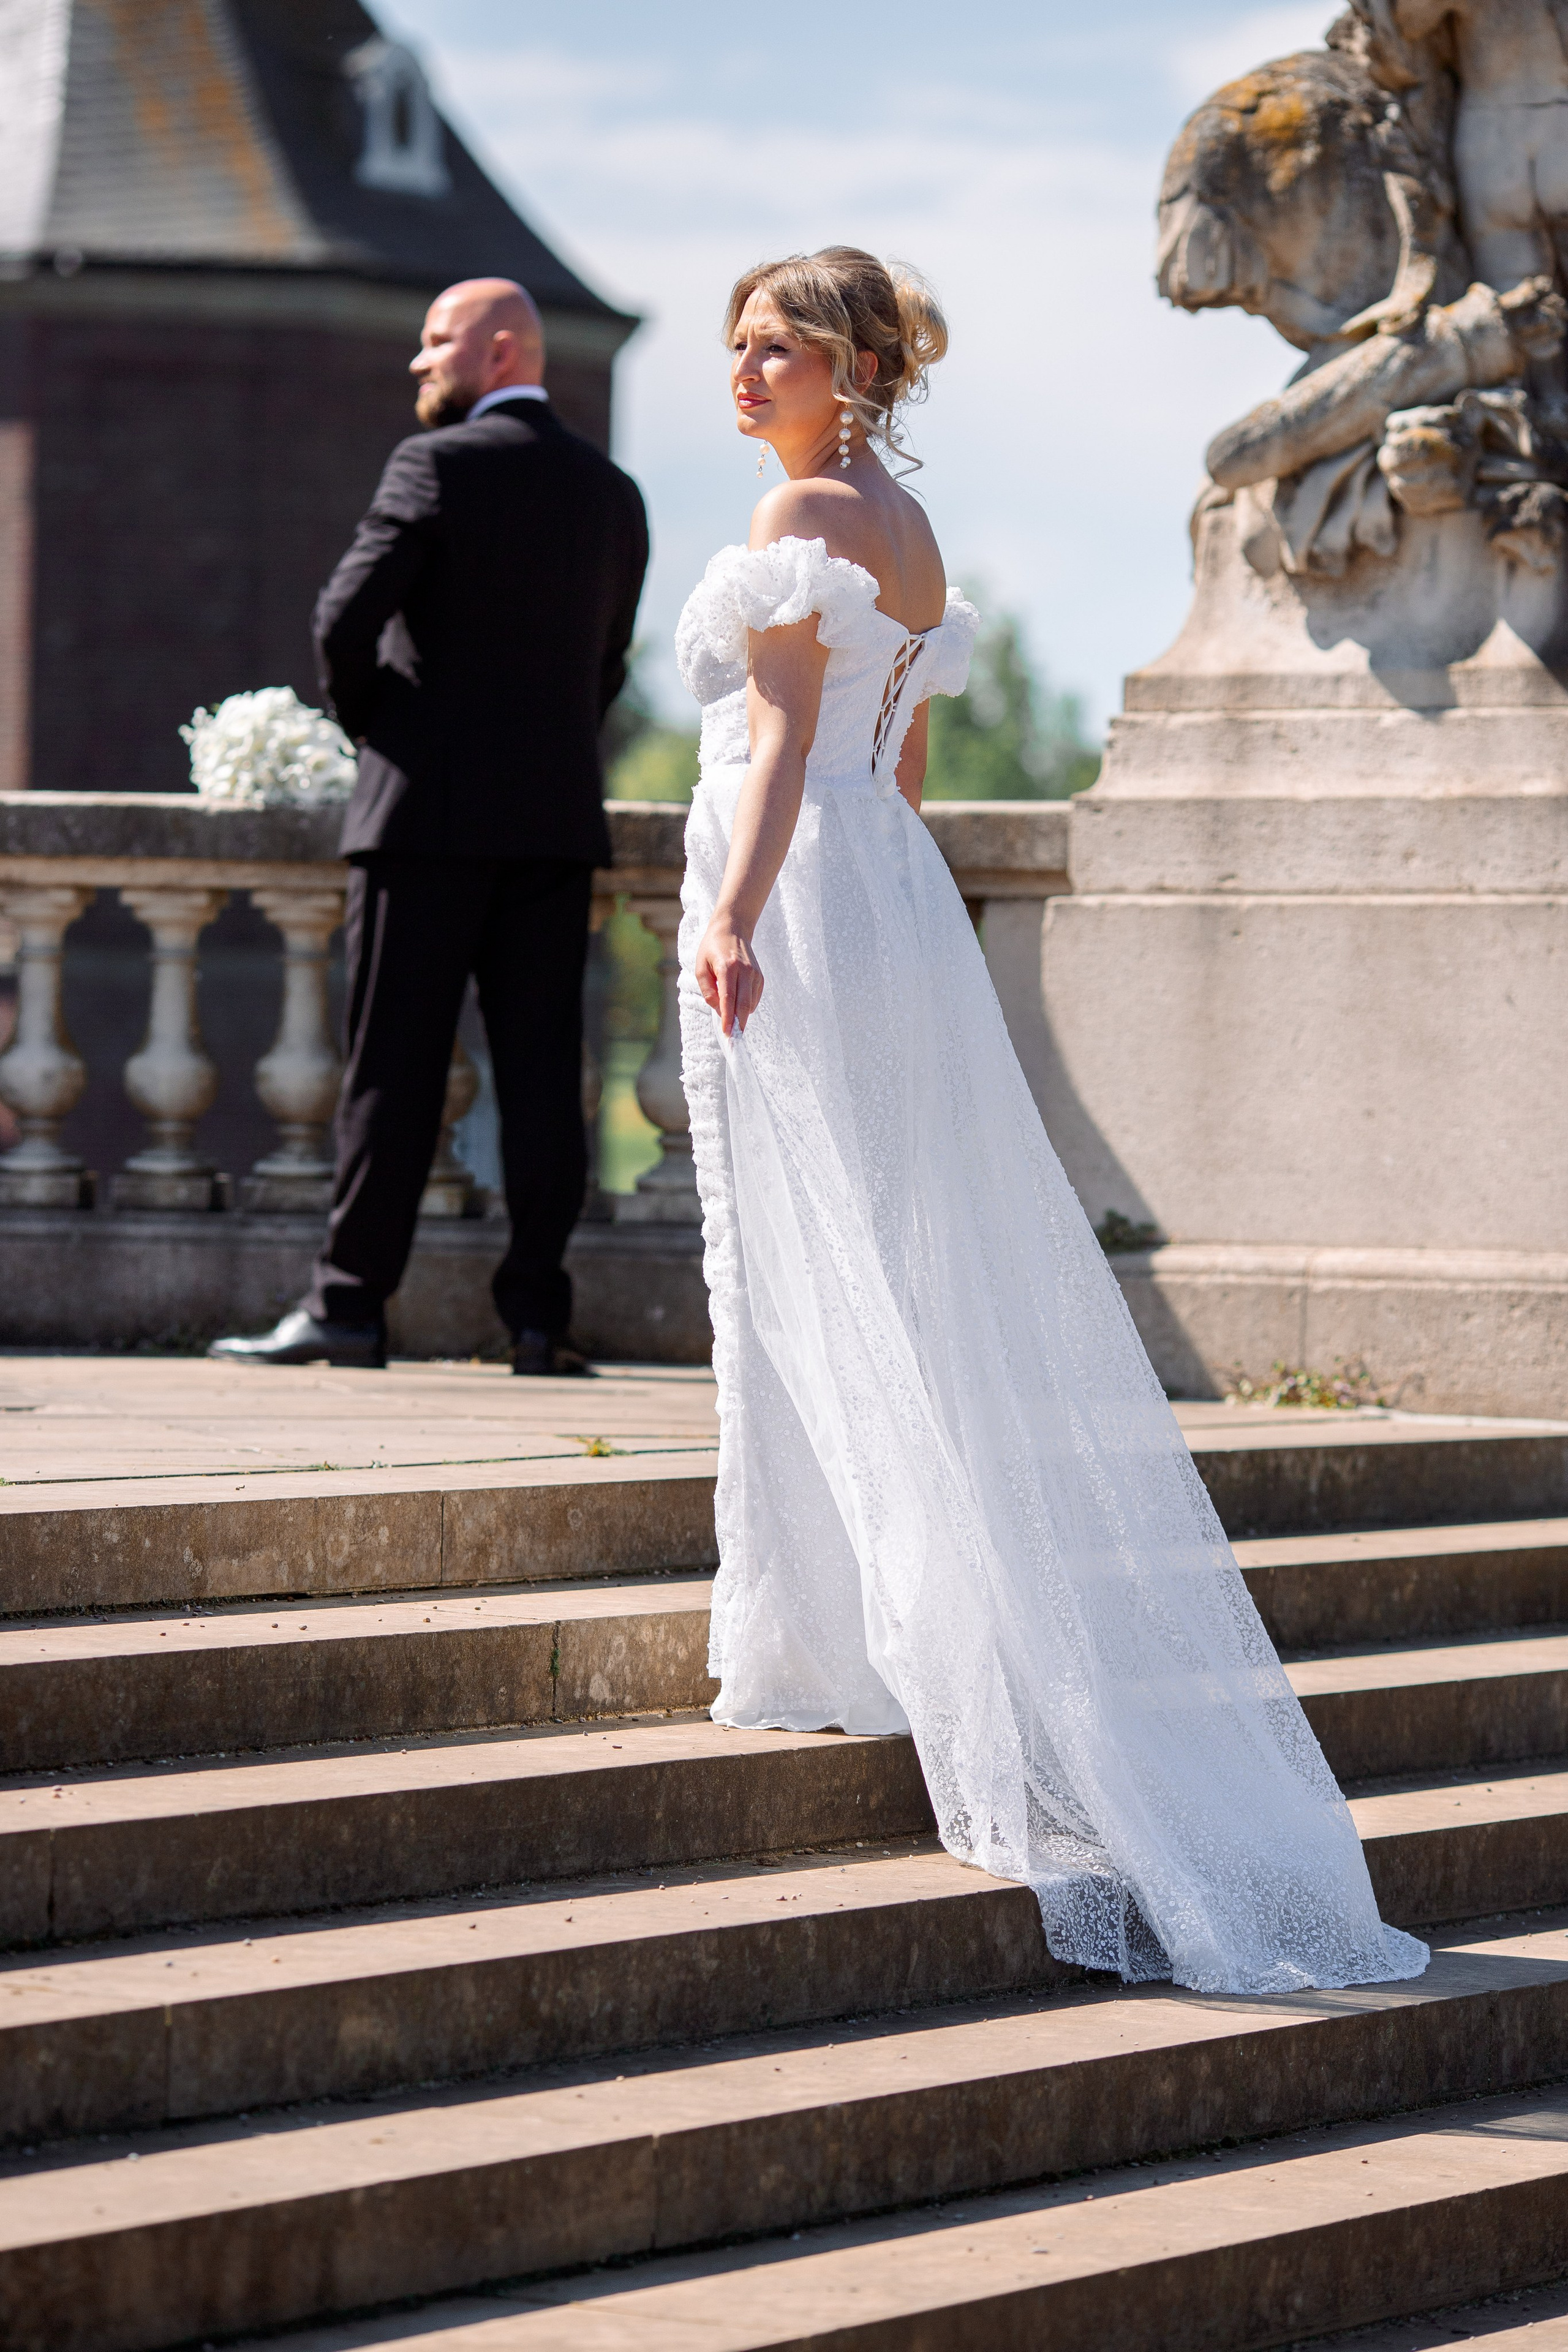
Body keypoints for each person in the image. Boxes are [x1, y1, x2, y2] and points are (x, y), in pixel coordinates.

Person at [675, 244, 1428, 1994]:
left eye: (770, 345)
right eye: (734, 344)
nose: (740, 368)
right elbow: (903, 759)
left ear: (850, 368)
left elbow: (783, 741)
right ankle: (870, 1618)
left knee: (820, 1257)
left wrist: (729, 916)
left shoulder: (809, 500)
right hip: (881, 893)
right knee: (873, 1257)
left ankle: (861, 1639)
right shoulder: (908, 526)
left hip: (798, 889)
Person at [212, 277, 649, 1376]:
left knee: (390, 1073)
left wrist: (391, 741)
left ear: (501, 352)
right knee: (548, 1076)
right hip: (553, 825)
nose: (421, 362)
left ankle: (350, 1309)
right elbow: (607, 667)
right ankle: (539, 1322)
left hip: (424, 825)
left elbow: (341, 624)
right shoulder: (614, 495)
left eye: (437, 342)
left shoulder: (434, 466)